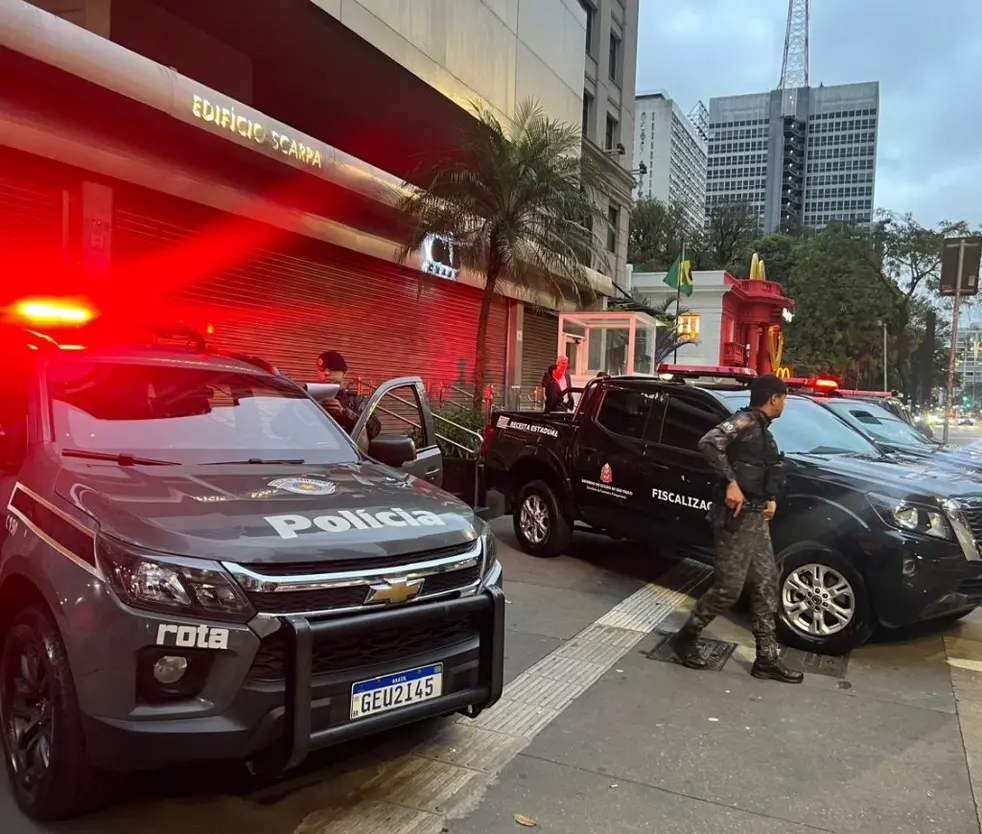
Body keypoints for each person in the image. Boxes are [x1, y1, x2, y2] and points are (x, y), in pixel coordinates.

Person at [670, 373, 803, 685]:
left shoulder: (763, 430)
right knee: (729, 588)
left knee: (766, 585)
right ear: (774, 398)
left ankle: (766, 658)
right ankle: (685, 638)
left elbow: (762, 470)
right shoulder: (744, 422)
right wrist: (730, 482)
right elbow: (709, 443)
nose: (784, 404)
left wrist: (769, 499)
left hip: (757, 518)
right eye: (784, 398)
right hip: (737, 518)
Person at [315, 350, 381, 451]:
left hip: (347, 456)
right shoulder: (307, 398)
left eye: (332, 369)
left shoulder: (356, 401)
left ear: (344, 374)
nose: (326, 373)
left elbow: (374, 428)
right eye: (322, 370)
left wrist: (345, 414)